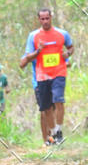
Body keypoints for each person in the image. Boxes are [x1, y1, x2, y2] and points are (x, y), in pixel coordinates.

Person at [20, 9, 73, 145]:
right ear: (38, 20)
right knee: (45, 110)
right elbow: (23, 61)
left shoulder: (60, 35)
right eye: (42, 19)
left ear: (51, 18)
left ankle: (56, 135)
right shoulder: (33, 37)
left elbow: (63, 55)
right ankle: (48, 139)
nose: (45, 21)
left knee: (57, 103)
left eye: (47, 18)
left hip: (56, 75)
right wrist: (38, 52)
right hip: (39, 79)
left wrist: (66, 59)